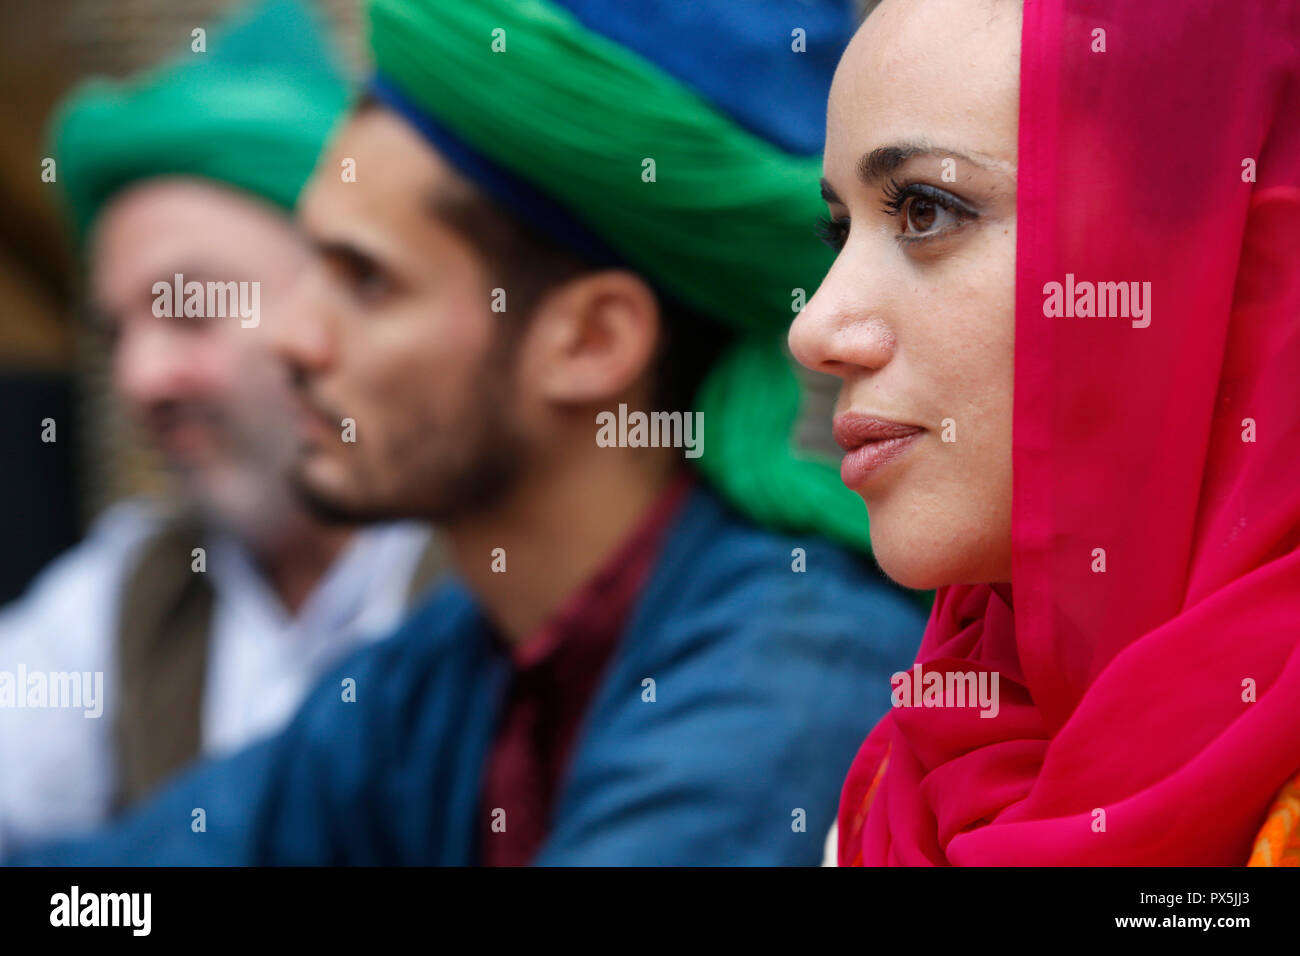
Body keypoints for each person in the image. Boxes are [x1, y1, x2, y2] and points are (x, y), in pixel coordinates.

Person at [7, 0, 927, 866]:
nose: (293, 337)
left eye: (364, 281)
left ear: (593, 339)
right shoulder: (452, 665)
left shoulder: (778, 686)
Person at [789, 0, 1300, 865]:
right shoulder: (904, 784)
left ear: (1229, 257)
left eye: (925, 210)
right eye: (839, 231)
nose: (816, 329)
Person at [0, 0, 441, 856]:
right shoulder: (136, 590)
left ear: (345, 295)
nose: (139, 378)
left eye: (187, 308)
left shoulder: (478, 563)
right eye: (116, 330)